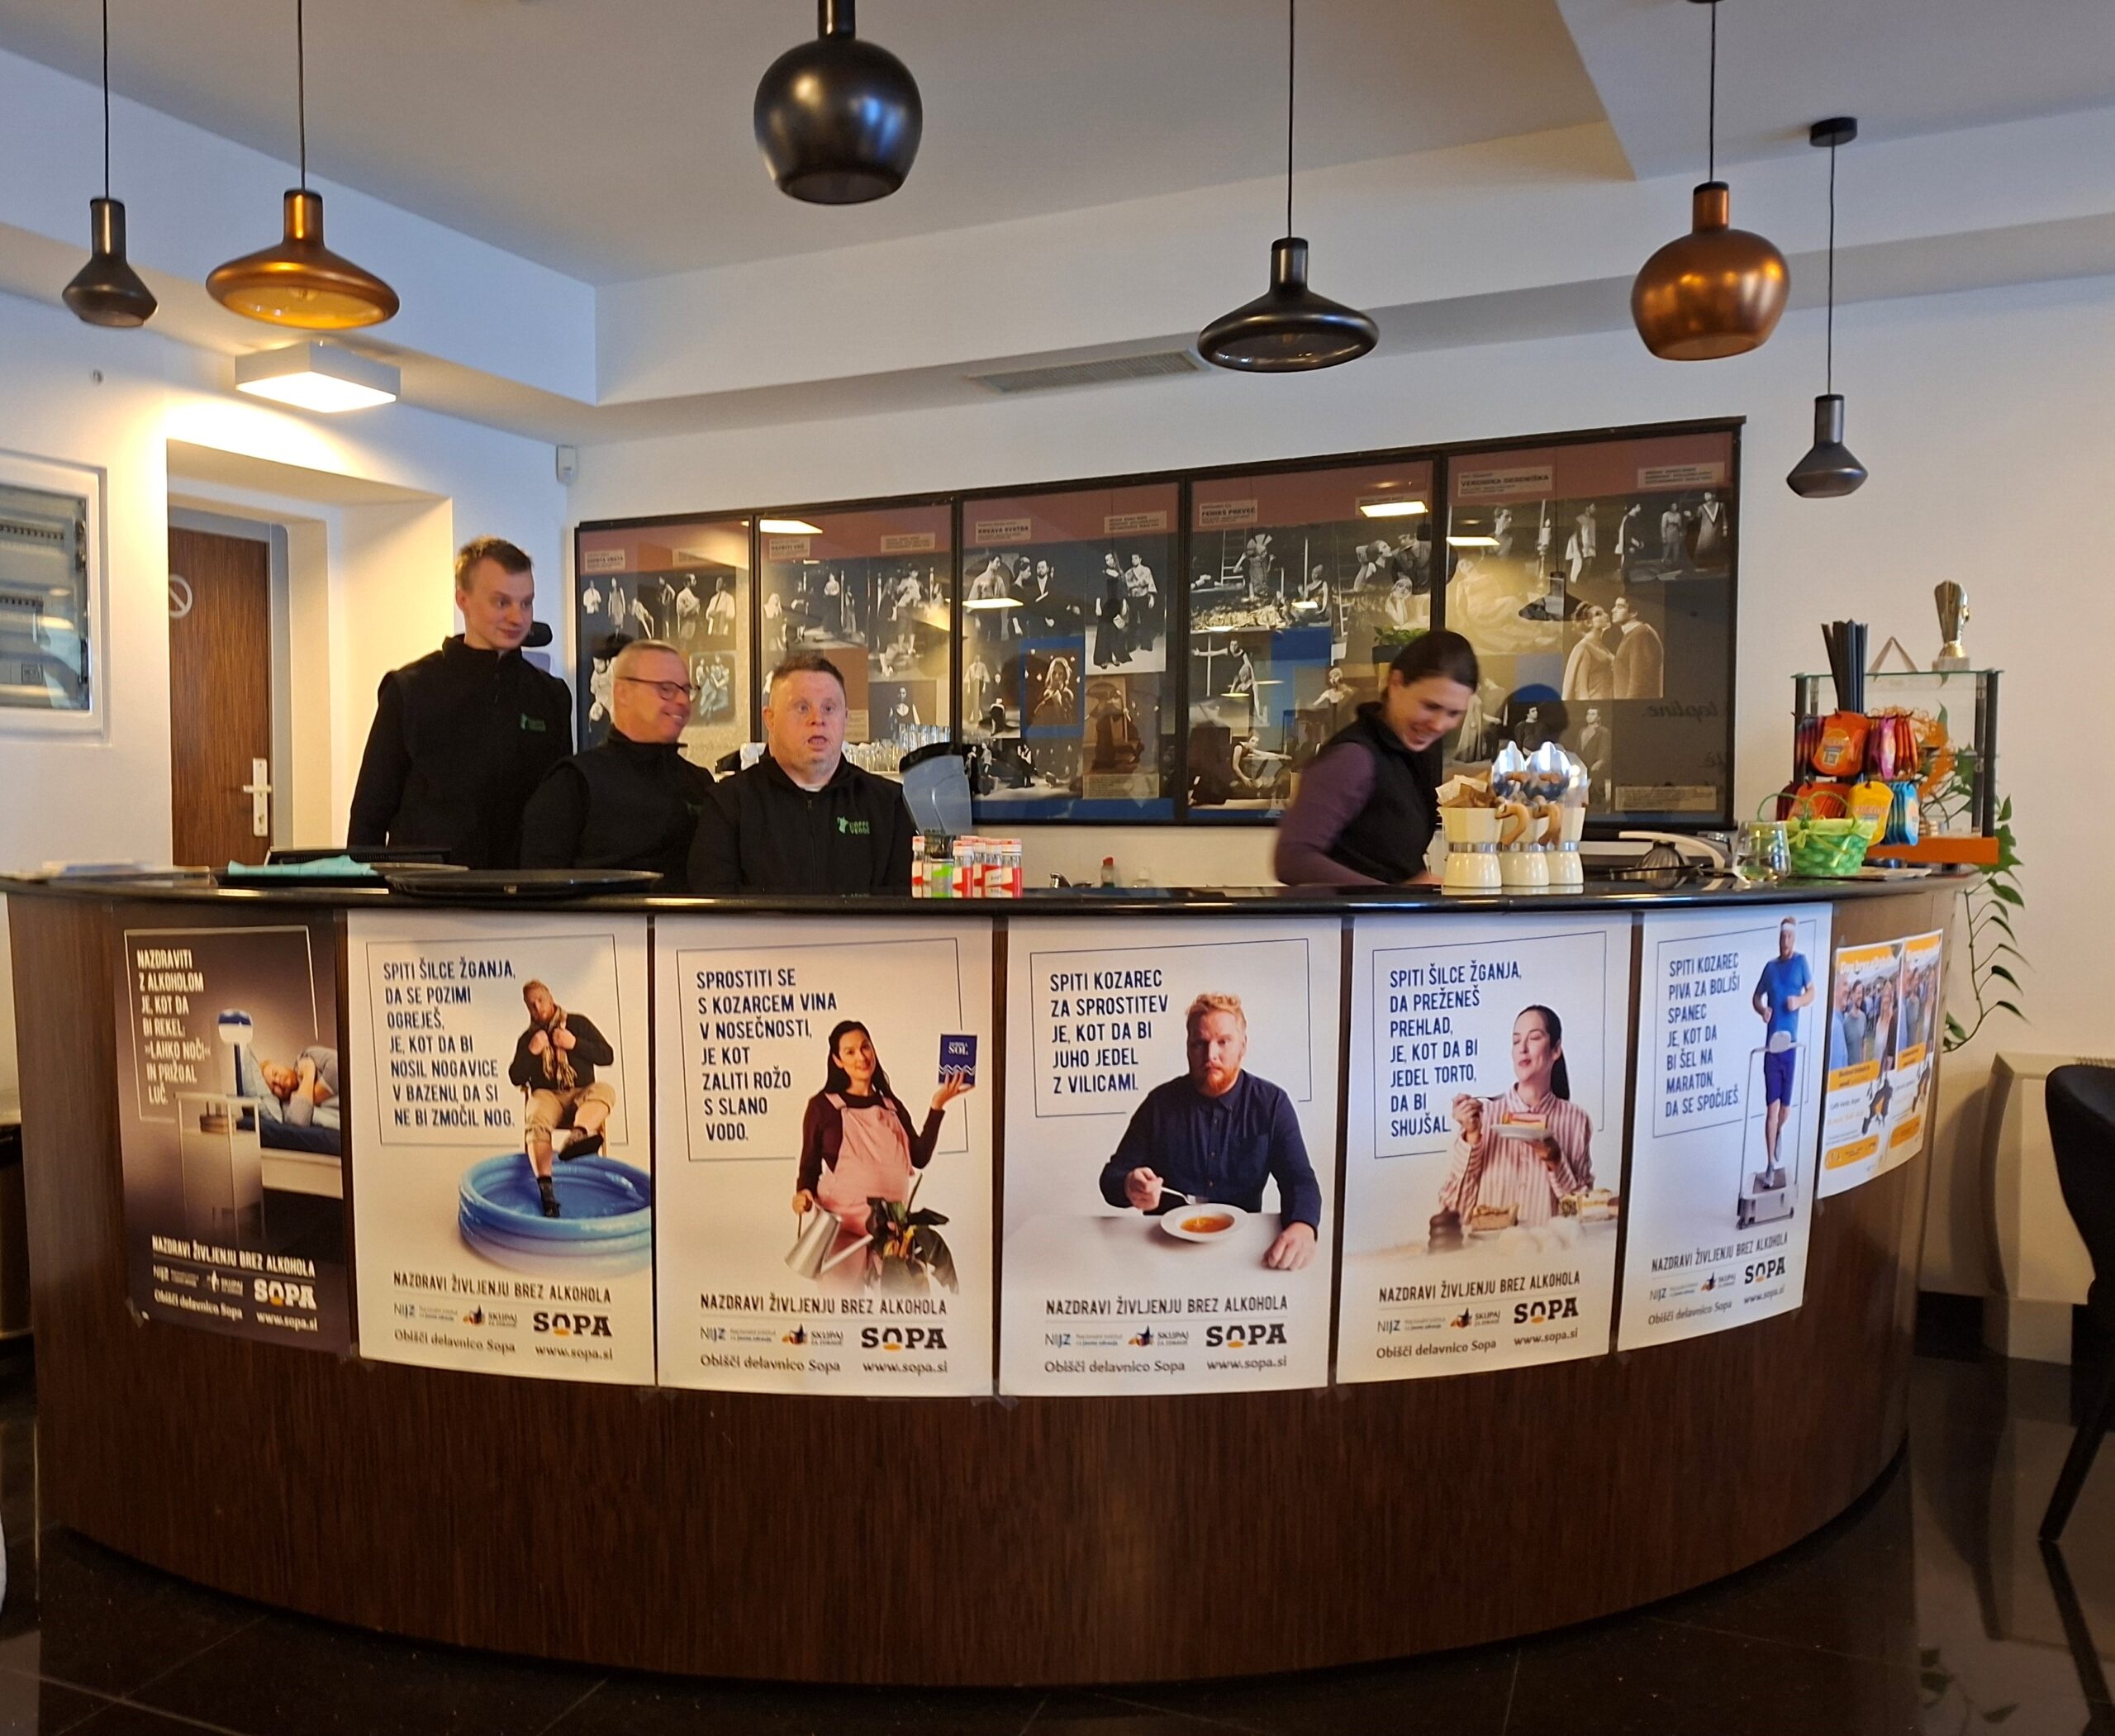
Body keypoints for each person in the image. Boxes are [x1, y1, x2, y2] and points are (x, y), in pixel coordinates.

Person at [347, 536, 573, 868]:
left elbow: (561, 811)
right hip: (427, 891)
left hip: (524, 889)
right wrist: (363, 891)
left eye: (526, 603)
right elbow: (370, 813)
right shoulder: (410, 690)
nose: (518, 617)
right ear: (463, 600)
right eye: (502, 602)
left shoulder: (550, 696)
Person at [1097, 994, 1320, 1272]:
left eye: (1223, 1042)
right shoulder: (1159, 1104)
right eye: (1199, 1044)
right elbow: (1111, 1178)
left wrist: (1303, 1225)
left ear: (1243, 1046)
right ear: (1188, 1048)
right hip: (1164, 1255)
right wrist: (1129, 1186)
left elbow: (1299, 1179)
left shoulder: (1272, 1104)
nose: (1210, 1055)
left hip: (1244, 1256)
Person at [688, 653, 916, 893]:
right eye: (802, 708)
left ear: (845, 718)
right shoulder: (728, 804)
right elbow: (713, 901)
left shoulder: (888, 804)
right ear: (770, 719)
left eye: (829, 708)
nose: (817, 720)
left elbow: (906, 902)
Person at [1273, 630, 1478, 887]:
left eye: (1454, 713)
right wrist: (1394, 893)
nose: (1439, 724)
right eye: (1430, 706)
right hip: (1349, 913)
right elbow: (1293, 859)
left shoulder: (1416, 752)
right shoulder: (1353, 757)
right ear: (1396, 684)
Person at [792, 1020, 972, 1283]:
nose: (861, 1057)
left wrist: (938, 1105)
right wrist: (803, 1194)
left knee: (901, 1300)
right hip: (842, 1233)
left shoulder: (891, 1105)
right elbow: (809, 1167)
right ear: (837, 1061)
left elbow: (920, 1157)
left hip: (891, 1234)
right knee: (843, 1303)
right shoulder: (823, 1107)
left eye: (865, 1047)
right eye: (850, 1052)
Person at [520, 640, 713, 882]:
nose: (683, 702)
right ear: (623, 693)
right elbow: (540, 885)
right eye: (666, 689)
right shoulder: (575, 782)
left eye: (687, 690)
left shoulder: (699, 783)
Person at [1435, 1007, 1594, 1232]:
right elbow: (1455, 1215)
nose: (1522, 1048)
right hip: (1491, 1252)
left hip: (1549, 1250)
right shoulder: (1484, 1115)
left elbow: (1583, 1217)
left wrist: (1557, 1163)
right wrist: (1472, 1138)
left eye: (1534, 1038)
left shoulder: (1576, 1120)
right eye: (1516, 1041)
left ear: (1556, 1049)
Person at [507, 979, 616, 1220]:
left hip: (581, 1094)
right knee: (535, 1115)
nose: (537, 1008)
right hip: (548, 1097)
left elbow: (607, 1055)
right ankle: (547, 1193)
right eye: (531, 1005)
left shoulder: (578, 1023)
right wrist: (532, 1051)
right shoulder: (528, 1038)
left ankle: (577, 1136)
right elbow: (516, 1077)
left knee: (605, 1091)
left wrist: (574, 1043)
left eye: (540, 1001)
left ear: (551, 998)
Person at [1752, 918, 1815, 1183]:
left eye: (1789, 937)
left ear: (1794, 939)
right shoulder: (1770, 968)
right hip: (1772, 1048)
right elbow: (1756, 997)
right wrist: (1762, 1010)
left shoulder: (1801, 963)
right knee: (1771, 1110)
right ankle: (1769, 1163)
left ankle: (1779, 1131)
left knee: (1784, 1111)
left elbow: (1812, 992)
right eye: (1782, 938)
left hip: (1791, 1048)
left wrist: (1798, 1001)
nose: (1785, 942)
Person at [1609, 595, 1664, 699]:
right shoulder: (1634, 634)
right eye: (1615, 606)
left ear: (1634, 613)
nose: (1613, 610)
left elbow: (1640, 680)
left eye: (1620, 607)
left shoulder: (1640, 633)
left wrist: (1630, 706)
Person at [1562, 604, 1617, 701]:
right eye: (1598, 614)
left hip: (1608, 702)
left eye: (1604, 612)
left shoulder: (1604, 648)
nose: (1606, 615)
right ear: (1588, 622)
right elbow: (1581, 688)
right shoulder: (1584, 648)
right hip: (1594, 703)